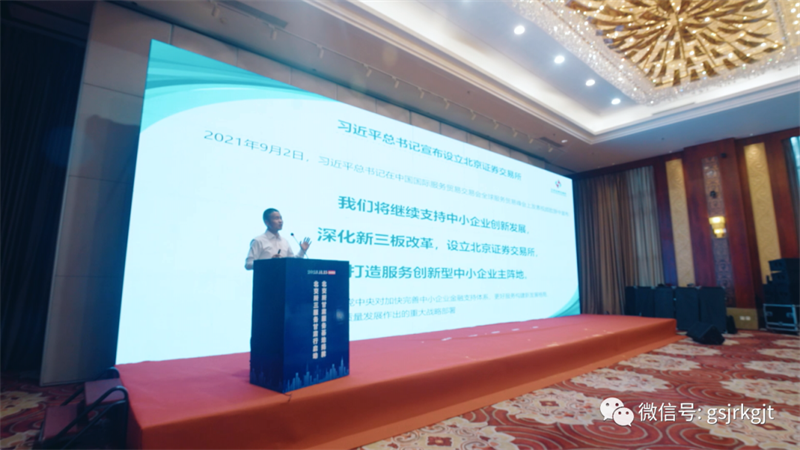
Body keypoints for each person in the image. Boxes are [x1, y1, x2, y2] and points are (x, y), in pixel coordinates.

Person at [244, 208, 311, 270]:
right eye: (276, 218)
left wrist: (302, 251)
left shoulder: (285, 241)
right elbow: (248, 265)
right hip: (265, 278)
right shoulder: (258, 241)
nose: (280, 221)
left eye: (280, 218)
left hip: (283, 278)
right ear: (267, 222)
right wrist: (269, 263)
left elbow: (292, 262)